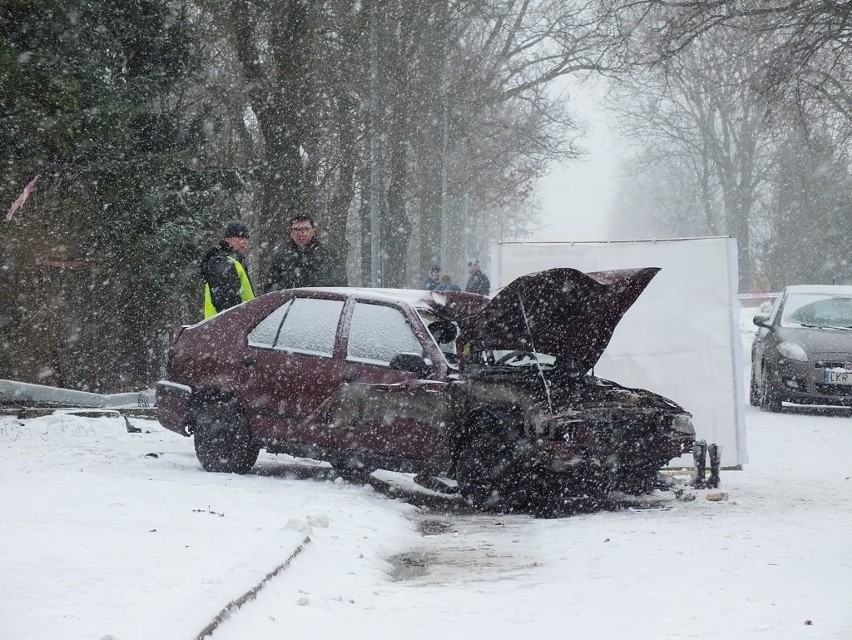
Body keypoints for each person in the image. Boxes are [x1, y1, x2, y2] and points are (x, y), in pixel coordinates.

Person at [265, 214, 348, 291]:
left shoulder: (329, 255)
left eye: (305, 229)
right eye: (296, 229)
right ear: (291, 233)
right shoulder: (281, 257)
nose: (301, 233)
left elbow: (341, 287)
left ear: (313, 232)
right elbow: (269, 289)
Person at [200, 220, 255, 318]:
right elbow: (227, 301)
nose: (244, 241)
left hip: (224, 323)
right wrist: (237, 319)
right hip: (227, 324)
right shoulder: (223, 261)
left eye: (246, 238)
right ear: (228, 239)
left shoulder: (234, 260)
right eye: (240, 237)